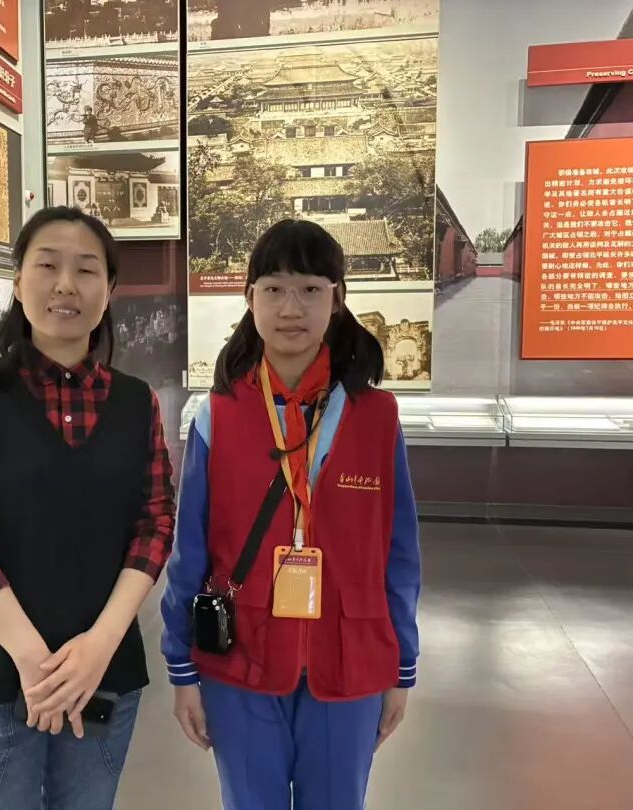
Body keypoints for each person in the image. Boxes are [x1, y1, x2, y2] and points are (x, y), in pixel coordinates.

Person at [160, 219, 422, 810]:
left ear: (337, 298)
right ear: (249, 297)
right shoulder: (218, 414)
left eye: (310, 289)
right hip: (241, 658)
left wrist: (402, 665)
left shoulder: (377, 416)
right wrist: (181, 667)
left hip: (350, 658)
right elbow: (190, 549)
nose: (291, 308)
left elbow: (399, 552)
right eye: (274, 288)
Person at [0, 206, 176, 810]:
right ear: (18, 283)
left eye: (86, 270)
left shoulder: (136, 403)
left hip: (104, 675)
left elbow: (154, 525)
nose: (66, 284)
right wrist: (35, 662)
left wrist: (100, 646)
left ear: (109, 290)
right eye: (47, 266)